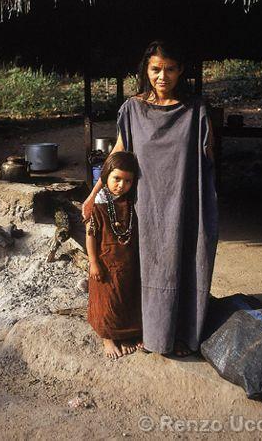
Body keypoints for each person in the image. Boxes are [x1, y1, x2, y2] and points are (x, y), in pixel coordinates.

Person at [83, 40, 218, 357]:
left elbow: (207, 157)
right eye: (156, 69)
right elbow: (118, 154)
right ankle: (143, 332)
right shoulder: (133, 110)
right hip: (142, 207)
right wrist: (93, 194)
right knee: (138, 269)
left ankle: (182, 334)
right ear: (146, 69)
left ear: (180, 71)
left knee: (185, 262)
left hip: (183, 201)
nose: (162, 76)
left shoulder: (195, 110)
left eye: (170, 69)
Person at [86, 151, 142, 360]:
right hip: (105, 262)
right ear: (106, 176)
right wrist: (93, 262)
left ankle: (126, 334)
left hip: (127, 261)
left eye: (128, 180)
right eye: (116, 179)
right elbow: (90, 236)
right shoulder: (99, 204)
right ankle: (107, 337)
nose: (121, 185)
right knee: (107, 301)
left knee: (126, 297)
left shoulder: (130, 202)